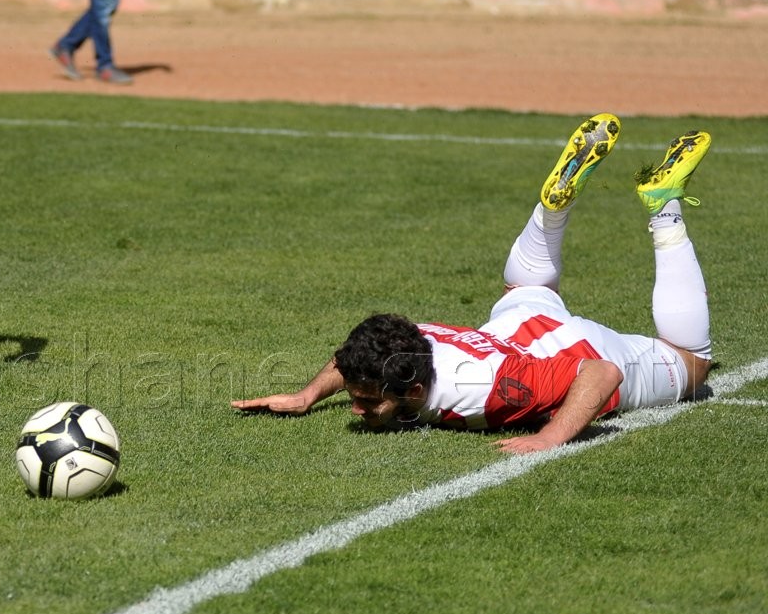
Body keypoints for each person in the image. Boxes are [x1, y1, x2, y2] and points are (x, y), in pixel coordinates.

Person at [232, 114, 714, 454]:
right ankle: (553, 208)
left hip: (571, 351)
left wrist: (549, 438)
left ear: (416, 392)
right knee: (518, 286)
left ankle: (664, 206)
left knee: (693, 363)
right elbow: (355, 356)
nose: (357, 410)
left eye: (368, 400)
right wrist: (307, 395)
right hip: (514, 329)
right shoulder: (401, 346)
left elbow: (600, 373)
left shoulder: (487, 391)